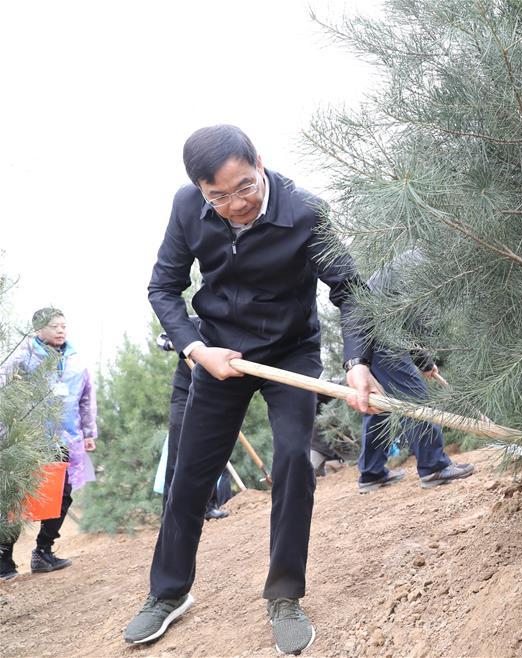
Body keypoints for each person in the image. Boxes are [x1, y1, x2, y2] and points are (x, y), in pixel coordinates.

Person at [124, 125, 381, 655]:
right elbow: (163, 287)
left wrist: (357, 362)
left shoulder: (306, 211)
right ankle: (168, 593)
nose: (236, 204)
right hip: (219, 354)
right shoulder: (186, 207)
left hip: (290, 351)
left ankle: (284, 595)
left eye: (244, 187)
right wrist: (196, 349)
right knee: (190, 472)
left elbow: (350, 291)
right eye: (218, 196)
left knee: (293, 459)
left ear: (259, 164)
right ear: (199, 190)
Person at [358, 253, 474, 492]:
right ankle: (434, 468)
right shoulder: (424, 266)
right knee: (416, 397)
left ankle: (371, 473)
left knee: (379, 404)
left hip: (362, 332)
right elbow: (413, 320)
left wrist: (423, 361)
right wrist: (424, 362)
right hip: (381, 333)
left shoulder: (414, 257)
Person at [0, 308, 98, 580]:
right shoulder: (22, 358)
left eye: (63, 325)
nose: (60, 330)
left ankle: (43, 552)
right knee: (17, 498)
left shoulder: (76, 359)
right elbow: (4, 394)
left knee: (62, 495)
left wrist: (89, 431)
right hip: (27, 439)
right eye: (54, 325)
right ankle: (3, 559)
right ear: (38, 329)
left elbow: (87, 396)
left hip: (65, 439)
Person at [157, 327, 231, 520]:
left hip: (214, 393)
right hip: (185, 391)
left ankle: (208, 505)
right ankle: (168, 511)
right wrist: (173, 343)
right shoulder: (194, 323)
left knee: (211, 450)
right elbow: (161, 338)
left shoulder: (231, 329)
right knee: (177, 448)